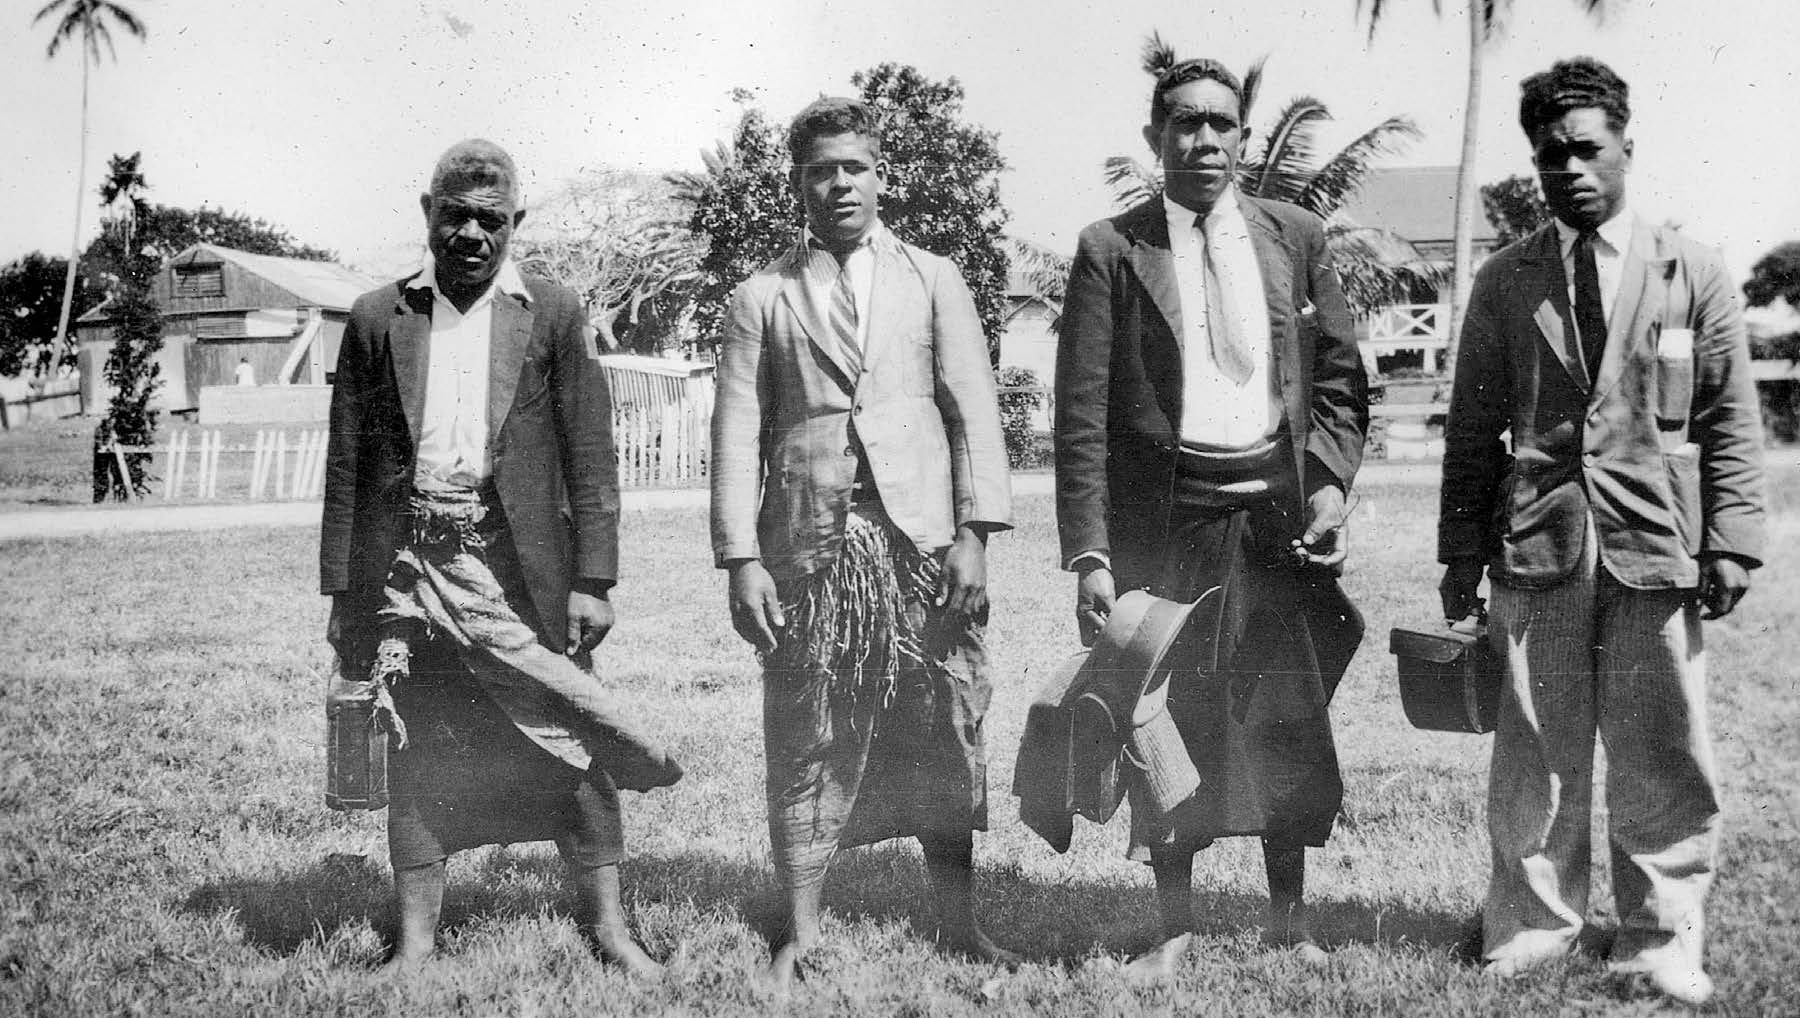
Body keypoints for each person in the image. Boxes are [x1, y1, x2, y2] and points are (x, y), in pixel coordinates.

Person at [1439, 57, 1764, 1006]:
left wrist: (1733, 539)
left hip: (1653, 542)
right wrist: (1462, 550)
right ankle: (1534, 926)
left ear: (1627, 146)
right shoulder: (1507, 280)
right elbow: (1471, 425)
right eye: (1550, 156)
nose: (1571, 169)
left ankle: (1664, 937)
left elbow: (1730, 417)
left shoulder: (1690, 272)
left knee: (1662, 743)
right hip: (1538, 542)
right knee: (1536, 748)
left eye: (1587, 149)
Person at [319, 139, 681, 978]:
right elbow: (347, 464)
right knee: (416, 744)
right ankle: (414, 945)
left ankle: (613, 934)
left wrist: (593, 580)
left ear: (515, 223)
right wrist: (347, 594)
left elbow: (590, 451)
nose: (472, 235)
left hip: (525, 578)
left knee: (569, 745)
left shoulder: (551, 311)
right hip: (412, 580)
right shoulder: (379, 317)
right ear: (428, 215)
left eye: (491, 220)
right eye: (456, 216)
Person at [1053, 57, 1368, 980]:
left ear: (1243, 137)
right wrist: (1090, 552)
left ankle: (1293, 920)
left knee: (1285, 720)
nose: (1203, 142)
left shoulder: (1294, 235)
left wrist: (1328, 485)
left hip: (1275, 519)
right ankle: (1172, 929)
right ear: (1156, 136)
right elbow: (1080, 414)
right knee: (1163, 721)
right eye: (1184, 124)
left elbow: (1344, 382)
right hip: (1169, 519)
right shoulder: (1112, 246)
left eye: (1221, 125)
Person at [709, 97, 1015, 987]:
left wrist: (975, 535)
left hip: (922, 546)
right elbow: (734, 437)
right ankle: (800, 930)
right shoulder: (761, 297)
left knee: (946, 725)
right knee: (806, 731)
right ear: (797, 184)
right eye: (819, 171)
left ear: (881, 177)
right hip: (812, 551)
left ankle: (960, 924)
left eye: (855, 168)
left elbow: (972, 413)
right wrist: (742, 559)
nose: (838, 184)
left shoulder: (933, 277)